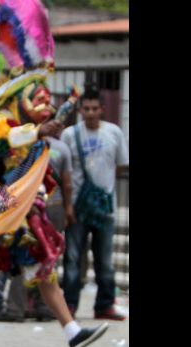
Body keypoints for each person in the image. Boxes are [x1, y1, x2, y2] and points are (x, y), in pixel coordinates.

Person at [0, 0, 108, 347]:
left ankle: (73, 331)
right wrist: (39, 130)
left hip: (28, 209)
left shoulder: (38, 129)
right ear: (19, 97)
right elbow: (2, 146)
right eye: (37, 95)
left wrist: (42, 131)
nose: (44, 100)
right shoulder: (0, 123)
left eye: (46, 96)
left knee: (43, 267)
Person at [61, 87, 129, 321]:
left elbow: (121, 165)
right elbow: (64, 171)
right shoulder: (70, 134)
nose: (90, 113)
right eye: (86, 109)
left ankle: (104, 305)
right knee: (72, 258)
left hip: (105, 208)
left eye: (94, 108)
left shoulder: (114, 133)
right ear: (80, 110)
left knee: (105, 261)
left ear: (102, 109)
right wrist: (67, 206)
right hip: (77, 207)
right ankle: (68, 305)